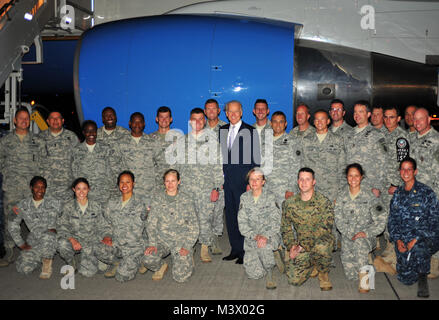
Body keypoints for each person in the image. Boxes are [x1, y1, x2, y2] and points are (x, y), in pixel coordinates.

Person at [387, 157, 439, 298]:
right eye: (403, 169)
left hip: (425, 237)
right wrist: (397, 240)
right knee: (406, 279)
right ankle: (407, 263)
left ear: (415, 171)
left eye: (409, 169)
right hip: (404, 237)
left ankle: (423, 278)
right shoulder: (397, 194)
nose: (406, 172)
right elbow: (392, 220)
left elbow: (434, 222)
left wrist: (415, 239)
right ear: (399, 172)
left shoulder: (426, 193)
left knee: (419, 249)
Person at [177, 108, 223, 262]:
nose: (197, 122)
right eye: (194, 119)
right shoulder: (181, 141)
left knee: (205, 220)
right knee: (188, 220)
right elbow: (176, 167)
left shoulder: (212, 141)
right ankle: (188, 246)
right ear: (190, 121)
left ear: (204, 121)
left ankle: (204, 247)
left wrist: (217, 188)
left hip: (205, 189)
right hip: (186, 189)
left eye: (200, 119)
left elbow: (218, 166)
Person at [219, 100, 261, 264]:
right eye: (230, 111)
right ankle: (235, 248)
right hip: (227, 182)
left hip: (243, 182)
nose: (234, 114)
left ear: (242, 112)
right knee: (230, 216)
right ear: (227, 113)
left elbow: (255, 160)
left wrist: (251, 182)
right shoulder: (222, 131)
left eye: (237, 111)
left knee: (243, 217)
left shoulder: (250, 131)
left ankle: (245, 251)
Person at [335, 164, 387, 292]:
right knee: (351, 275)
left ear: (361, 177)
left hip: (366, 237)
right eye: (350, 176)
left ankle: (365, 282)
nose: (353, 179)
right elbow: (338, 219)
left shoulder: (370, 197)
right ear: (346, 177)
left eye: (356, 176)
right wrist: (349, 234)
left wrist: (366, 233)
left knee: (359, 244)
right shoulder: (341, 196)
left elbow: (381, 220)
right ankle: (374, 266)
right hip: (348, 236)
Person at [281, 167, 334, 291]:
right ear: (297, 181)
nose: (304, 183)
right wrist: (292, 246)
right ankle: (312, 263)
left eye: (308, 179)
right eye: (301, 179)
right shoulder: (290, 203)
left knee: (322, 246)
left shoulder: (323, 202)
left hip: (319, 242)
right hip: (301, 245)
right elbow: (286, 228)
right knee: (293, 280)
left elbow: (325, 229)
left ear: (314, 182)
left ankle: (323, 273)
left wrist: (302, 245)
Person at [0, 108, 41, 267]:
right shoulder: (6, 141)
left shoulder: (36, 140)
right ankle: (9, 250)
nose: (24, 121)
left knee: (34, 220)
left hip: (31, 189)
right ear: (15, 121)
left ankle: (35, 251)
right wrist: (7, 172)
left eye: (27, 118)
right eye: (21, 118)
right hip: (12, 188)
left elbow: (41, 161)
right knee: (11, 219)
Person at [143, 169, 199, 282]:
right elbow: (151, 223)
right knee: (148, 258)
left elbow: (194, 226)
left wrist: (187, 245)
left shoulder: (186, 199)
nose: (170, 184)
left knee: (180, 278)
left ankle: (187, 258)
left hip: (180, 241)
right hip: (162, 240)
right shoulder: (157, 199)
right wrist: (153, 244)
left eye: (173, 181)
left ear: (179, 181)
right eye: (167, 181)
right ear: (164, 182)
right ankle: (162, 266)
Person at [97, 171, 148, 282]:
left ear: (133, 184)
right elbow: (104, 222)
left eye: (128, 182)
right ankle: (117, 263)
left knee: (121, 277)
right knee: (98, 249)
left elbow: (143, 228)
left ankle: (139, 259)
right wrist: (107, 235)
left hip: (133, 247)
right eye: (122, 182)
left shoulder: (140, 204)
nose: (124, 185)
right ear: (118, 184)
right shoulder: (111, 203)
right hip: (116, 243)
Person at [237, 168, 282, 289]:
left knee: (264, 247)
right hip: (252, 237)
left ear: (263, 182)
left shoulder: (270, 197)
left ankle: (270, 272)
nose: (254, 182)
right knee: (254, 274)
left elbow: (276, 221)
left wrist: (265, 236)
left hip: (269, 236)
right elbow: (242, 223)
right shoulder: (244, 198)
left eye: (258, 179)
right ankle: (273, 256)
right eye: (252, 179)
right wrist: (254, 236)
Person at [57, 178, 111, 277]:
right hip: (76, 240)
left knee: (87, 273)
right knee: (61, 244)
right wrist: (72, 240)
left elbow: (104, 225)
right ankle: (71, 263)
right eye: (78, 189)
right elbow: (62, 227)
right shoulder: (68, 206)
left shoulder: (96, 206)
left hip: (92, 241)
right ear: (74, 189)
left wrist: (106, 236)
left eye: (84, 189)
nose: (81, 192)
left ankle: (97, 257)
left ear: (89, 189)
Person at [8, 176, 60, 279]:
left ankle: (46, 264)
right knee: (23, 268)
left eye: (43, 187)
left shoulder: (55, 203)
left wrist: (57, 229)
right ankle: (39, 257)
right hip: (34, 240)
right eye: (37, 187)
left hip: (51, 239)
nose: (40, 190)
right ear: (31, 187)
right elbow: (12, 223)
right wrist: (21, 244)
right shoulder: (22, 205)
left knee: (48, 235)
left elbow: (66, 219)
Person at [409, 108, 439, 277]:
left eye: (421, 119)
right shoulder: (411, 139)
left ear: (429, 119)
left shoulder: (436, 140)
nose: (418, 122)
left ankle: (434, 264)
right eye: (415, 119)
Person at [377, 106, 410, 262]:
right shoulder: (381, 134)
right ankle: (389, 244)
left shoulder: (401, 138)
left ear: (398, 119)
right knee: (384, 215)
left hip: (393, 186)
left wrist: (396, 184)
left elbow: (404, 164)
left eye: (391, 117)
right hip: (382, 184)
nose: (388, 120)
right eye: (386, 117)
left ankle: (394, 248)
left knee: (394, 217)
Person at [114, 112, 160, 201]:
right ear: (130, 123)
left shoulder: (153, 142)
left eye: (140, 122)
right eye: (134, 122)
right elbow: (114, 165)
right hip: (127, 191)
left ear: (144, 124)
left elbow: (160, 165)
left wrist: (157, 185)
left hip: (149, 192)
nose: (137, 125)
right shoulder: (120, 143)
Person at [344, 101, 387, 196]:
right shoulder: (348, 134)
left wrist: (378, 186)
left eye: (360, 112)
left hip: (369, 186)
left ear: (368, 114)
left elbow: (383, 162)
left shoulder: (376, 134)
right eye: (355, 112)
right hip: (351, 185)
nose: (357, 115)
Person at [36, 110, 79, 201]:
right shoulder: (39, 138)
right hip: (46, 189)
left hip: (66, 189)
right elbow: (35, 161)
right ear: (47, 121)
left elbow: (78, 160)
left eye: (58, 118)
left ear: (63, 121)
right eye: (52, 118)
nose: (55, 120)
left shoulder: (71, 137)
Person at [71, 120, 117, 206]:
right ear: (83, 132)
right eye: (88, 131)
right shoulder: (76, 151)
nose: (91, 133)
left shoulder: (106, 148)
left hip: (105, 194)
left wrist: (114, 191)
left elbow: (114, 170)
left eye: (93, 130)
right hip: (86, 195)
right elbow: (74, 173)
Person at [203, 99, 227, 254]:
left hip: (220, 174)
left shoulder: (225, 128)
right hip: (203, 176)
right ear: (205, 112)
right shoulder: (199, 128)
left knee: (218, 207)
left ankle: (216, 237)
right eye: (208, 109)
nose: (211, 112)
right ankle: (207, 238)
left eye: (214, 109)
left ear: (219, 110)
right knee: (205, 209)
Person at [149, 106, 175, 187]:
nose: (164, 120)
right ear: (157, 119)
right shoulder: (148, 139)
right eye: (161, 117)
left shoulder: (179, 138)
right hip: (155, 183)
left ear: (171, 119)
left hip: (173, 183)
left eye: (167, 117)